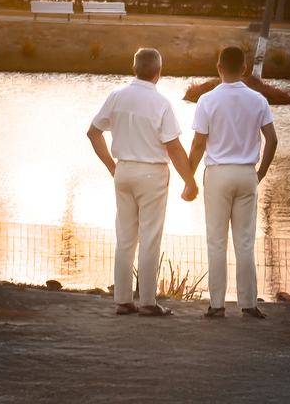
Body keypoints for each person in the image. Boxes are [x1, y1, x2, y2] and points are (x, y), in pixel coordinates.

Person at [87, 47, 199, 317]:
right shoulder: (161, 103)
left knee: (125, 238)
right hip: (152, 174)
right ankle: (148, 302)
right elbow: (174, 148)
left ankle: (123, 301)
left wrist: (113, 167)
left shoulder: (116, 96)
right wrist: (190, 181)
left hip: (123, 171)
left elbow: (93, 133)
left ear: (134, 68)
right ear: (159, 72)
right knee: (149, 237)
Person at [188, 45, 278, 320]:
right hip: (246, 174)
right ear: (244, 69)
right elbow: (272, 140)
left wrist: (188, 178)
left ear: (218, 68)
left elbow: (198, 143)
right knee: (245, 243)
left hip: (217, 175)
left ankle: (217, 305)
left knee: (217, 242)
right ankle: (249, 304)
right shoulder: (258, 100)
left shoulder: (206, 100)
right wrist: (259, 173)